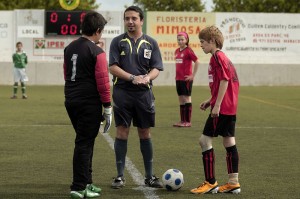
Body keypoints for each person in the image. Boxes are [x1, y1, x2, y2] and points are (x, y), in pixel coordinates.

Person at [109, 5, 164, 189]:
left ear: (141, 20)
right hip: (122, 93)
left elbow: (156, 68)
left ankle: (149, 176)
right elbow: (113, 67)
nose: (130, 22)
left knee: (144, 132)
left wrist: (147, 77)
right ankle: (119, 176)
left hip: (144, 95)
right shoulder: (117, 42)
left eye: (134, 18)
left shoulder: (151, 43)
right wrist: (132, 78)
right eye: (127, 18)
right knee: (122, 131)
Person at [63, 11, 112, 199]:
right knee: (84, 143)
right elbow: (103, 82)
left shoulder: (69, 48)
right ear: (98, 30)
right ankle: (78, 186)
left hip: (71, 100)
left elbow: (66, 74)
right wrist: (107, 107)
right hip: (89, 102)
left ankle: (87, 182)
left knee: (86, 141)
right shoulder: (97, 52)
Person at [190, 25, 241, 194]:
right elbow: (223, 84)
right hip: (230, 107)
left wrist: (217, 105)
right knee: (229, 141)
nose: (201, 45)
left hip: (223, 108)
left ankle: (210, 182)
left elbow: (225, 81)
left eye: (203, 42)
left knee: (205, 141)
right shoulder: (222, 57)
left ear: (212, 41)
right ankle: (233, 182)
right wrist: (210, 100)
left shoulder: (217, 57)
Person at [173, 32, 200, 127]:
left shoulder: (188, 50)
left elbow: (197, 61)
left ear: (186, 40)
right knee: (181, 99)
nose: (180, 41)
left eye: (182, 39)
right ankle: (182, 121)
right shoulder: (176, 51)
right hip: (178, 79)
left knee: (187, 98)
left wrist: (192, 75)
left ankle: (188, 121)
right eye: (178, 39)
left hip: (186, 79)